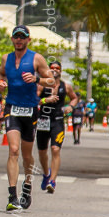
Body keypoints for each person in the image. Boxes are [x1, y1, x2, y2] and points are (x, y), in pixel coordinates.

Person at [0, 25, 55, 211]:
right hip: (12, 107)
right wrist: (0, 83)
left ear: (28, 39)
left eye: (22, 37)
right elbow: (0, 74)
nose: (19, 40)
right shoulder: (6, 58)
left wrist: (37, 80)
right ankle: (12, 195)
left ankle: (27, 185)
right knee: (13, 150)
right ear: (12, 39)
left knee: (27, 155)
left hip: (30, 109)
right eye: (16, 37)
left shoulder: (36, 58)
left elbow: (51, 80)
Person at [36, 61, 78, 194]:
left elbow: (74, 98)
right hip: (43, 121)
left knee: (55, 149)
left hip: (58, 121)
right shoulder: (41, 86)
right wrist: (44, 101)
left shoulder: (66, 86)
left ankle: (52, 181)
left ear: (61, 70)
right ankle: (46, 174)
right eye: (52, 68)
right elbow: (33, 99)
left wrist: (70, 107)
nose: (54, 70)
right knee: (42, 152)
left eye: (57, 68)